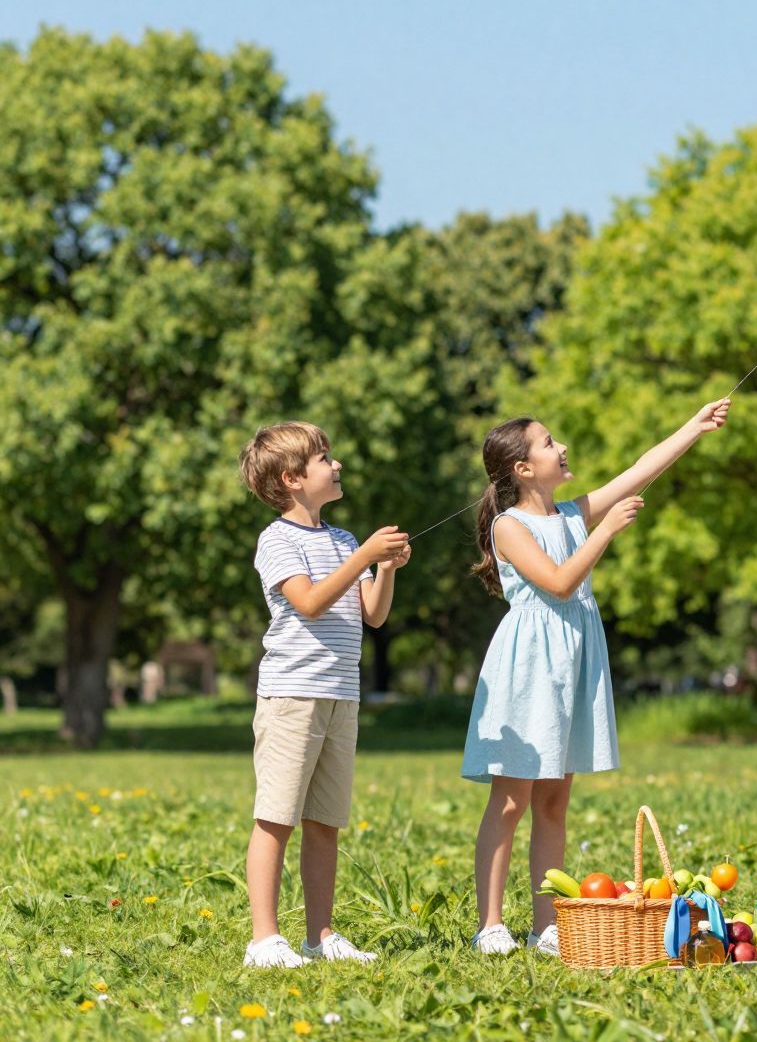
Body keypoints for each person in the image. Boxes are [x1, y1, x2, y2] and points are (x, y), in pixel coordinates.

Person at [464, 399, 730, 956]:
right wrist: (605, 529)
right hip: (530, 665)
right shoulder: (511, 527)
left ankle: (545, 925)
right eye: (548, 442)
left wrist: (694, 426)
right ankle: (490, 923)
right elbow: (559, 583)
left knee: (555, 801)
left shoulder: (567, 514)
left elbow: (640, 470)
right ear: (523, 469)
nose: (561, 447)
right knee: (511, 799)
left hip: (572, 660)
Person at [237, 421, 410, 968]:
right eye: (324, 459)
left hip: (341, 695)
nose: (336, 466)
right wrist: (362, 560)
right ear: (292, 479)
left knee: (325, 822)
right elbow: (308, 602)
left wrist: (383, 568)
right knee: (276, 817)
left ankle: (320, 935)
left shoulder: (342, 540)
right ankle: (265, 939)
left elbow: (373, 615)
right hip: (292, 696)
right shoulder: (277, 540)